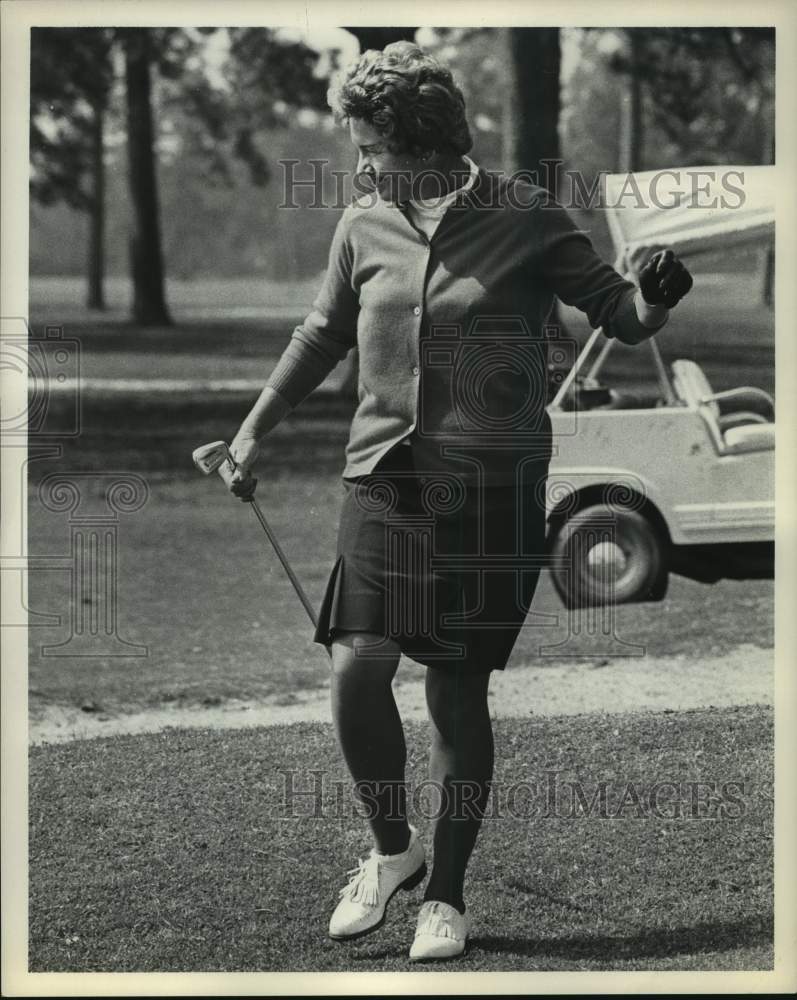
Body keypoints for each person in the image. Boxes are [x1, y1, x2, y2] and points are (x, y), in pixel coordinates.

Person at [227, 42, 693, 961]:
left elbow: (616, 311)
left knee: (454, 691)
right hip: (384, 475)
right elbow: (322, 333)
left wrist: (653, 300)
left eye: (370, 146)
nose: (359, 164)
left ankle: (446, 892)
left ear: (422, 140)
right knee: (358, 667)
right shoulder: (363, 223)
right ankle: (391, 851)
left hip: (490, 485)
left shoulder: (524, 216)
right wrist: (252, 430)